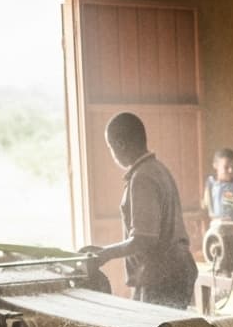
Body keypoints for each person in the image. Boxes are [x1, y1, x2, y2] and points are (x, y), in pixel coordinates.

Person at [81, 112, 197, 309]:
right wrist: (103, 251)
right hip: (173, 270)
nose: (112, 153)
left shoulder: (142, 178)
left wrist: (104, 255)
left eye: (110, 147)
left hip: (163, 275)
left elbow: (144, 238)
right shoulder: (157, 169)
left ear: (120, 144)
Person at [201, 148, 233, 222]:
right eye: (226, 167)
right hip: (215, 225)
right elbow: (206, 206)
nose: (230, 170)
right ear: (215, 166)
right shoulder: (210, 185)